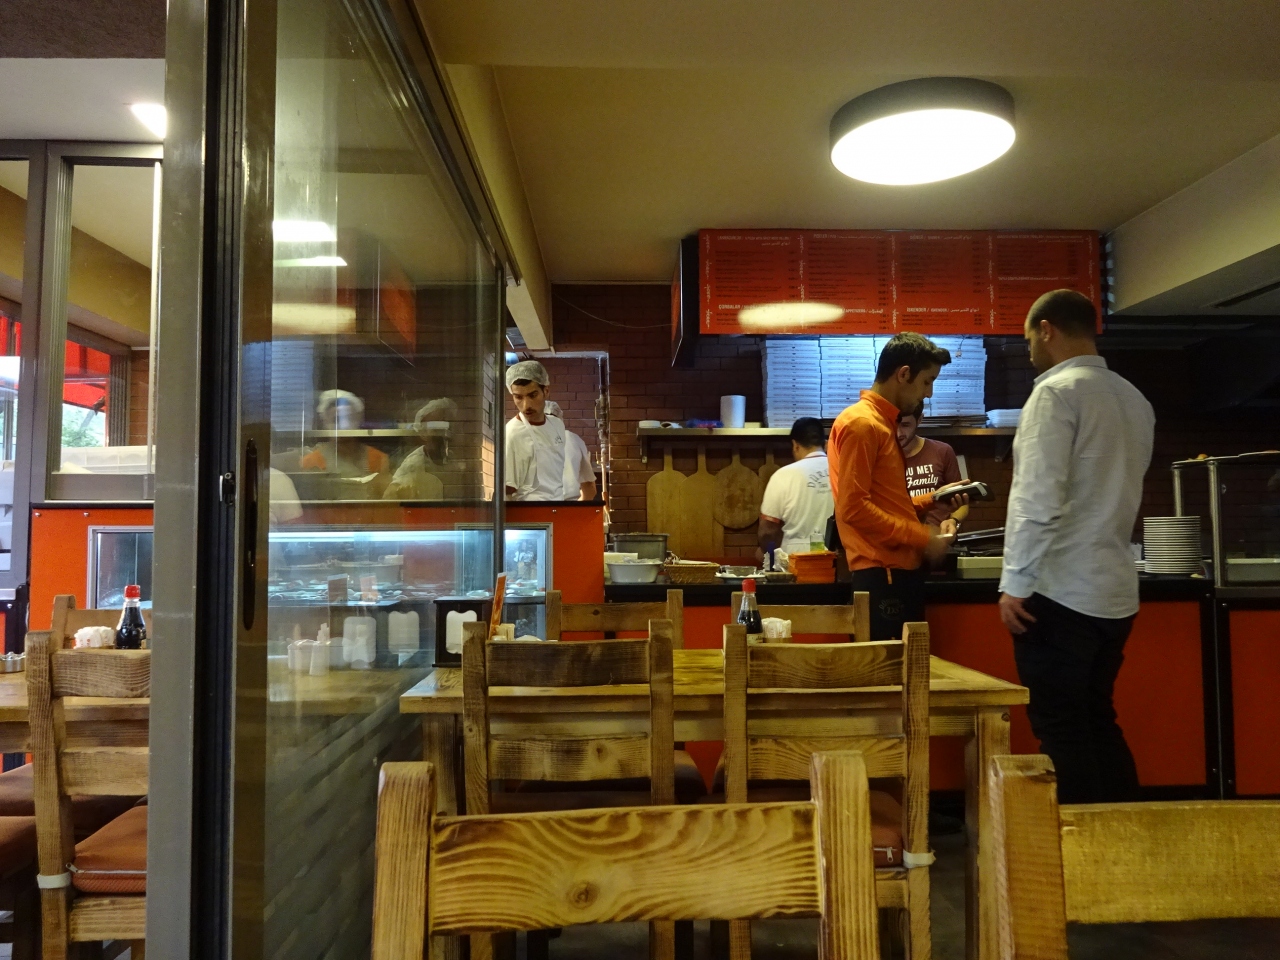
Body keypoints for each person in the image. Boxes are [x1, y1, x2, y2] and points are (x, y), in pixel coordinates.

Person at [999, 288, 1154, 804]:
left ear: (1046, 330)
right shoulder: (1134, 399)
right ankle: (1125, 834)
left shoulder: (1054, 394)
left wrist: (1015, 583)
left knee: (1061, 729)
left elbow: (1036, 498)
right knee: (1097, 718)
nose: (1029, 352)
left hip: (1060, 593)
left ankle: (1081, 843)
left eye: (1028, 340)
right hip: (1114, 593)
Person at [828, 333, 969, 641]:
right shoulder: (863, 424)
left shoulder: (879, 422)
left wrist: (935, 498)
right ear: (904, 374)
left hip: (892, 574)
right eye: (927, 382)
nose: (928, 394)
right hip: (883, 575)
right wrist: (923, 536)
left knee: (907, 668)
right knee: (892, 670)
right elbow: (853, 509)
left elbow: (882, 502)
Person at [504, 361, 596, 501]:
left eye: (533, 395)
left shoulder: (557, 425)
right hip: (528, 511)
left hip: (558, 507)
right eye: (519, 397)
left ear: (546, 391)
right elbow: (506, 490)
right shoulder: (512, 433)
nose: (526, 405)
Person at [758, 417, 833, 559]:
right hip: (837, 558)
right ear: (825, 444)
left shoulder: (783, 475)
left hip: (795, 558)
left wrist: (772, 558)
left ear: (795, 445)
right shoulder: (843, 472)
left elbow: (767, 532)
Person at [896, 403, 965, 533]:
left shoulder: (942, 451)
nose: (898, 433)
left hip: (939, 537)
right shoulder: (880, 457)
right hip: (901, 537)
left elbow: (962, 501)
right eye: (894, 424)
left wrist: (953, 521)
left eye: (905, 425)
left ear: (919, 420)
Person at [300, 389, 390, 482]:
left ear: (358, 420)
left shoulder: (378, 459)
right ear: (324, 422)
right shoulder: (311, 461)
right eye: (336, 420)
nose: (343, 426)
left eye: (349, 418)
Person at [383, 398, 457, 501]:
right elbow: (389, 495)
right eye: (437, 429)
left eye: (448, 427)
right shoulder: (415, 464)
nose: (444, 435)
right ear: (423, 434)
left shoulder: (450, 456)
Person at [545, 401, 598, 502]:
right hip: (569, 507)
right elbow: (590, 490)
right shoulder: (573, 439)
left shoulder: (525, 440)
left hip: (533, 508)